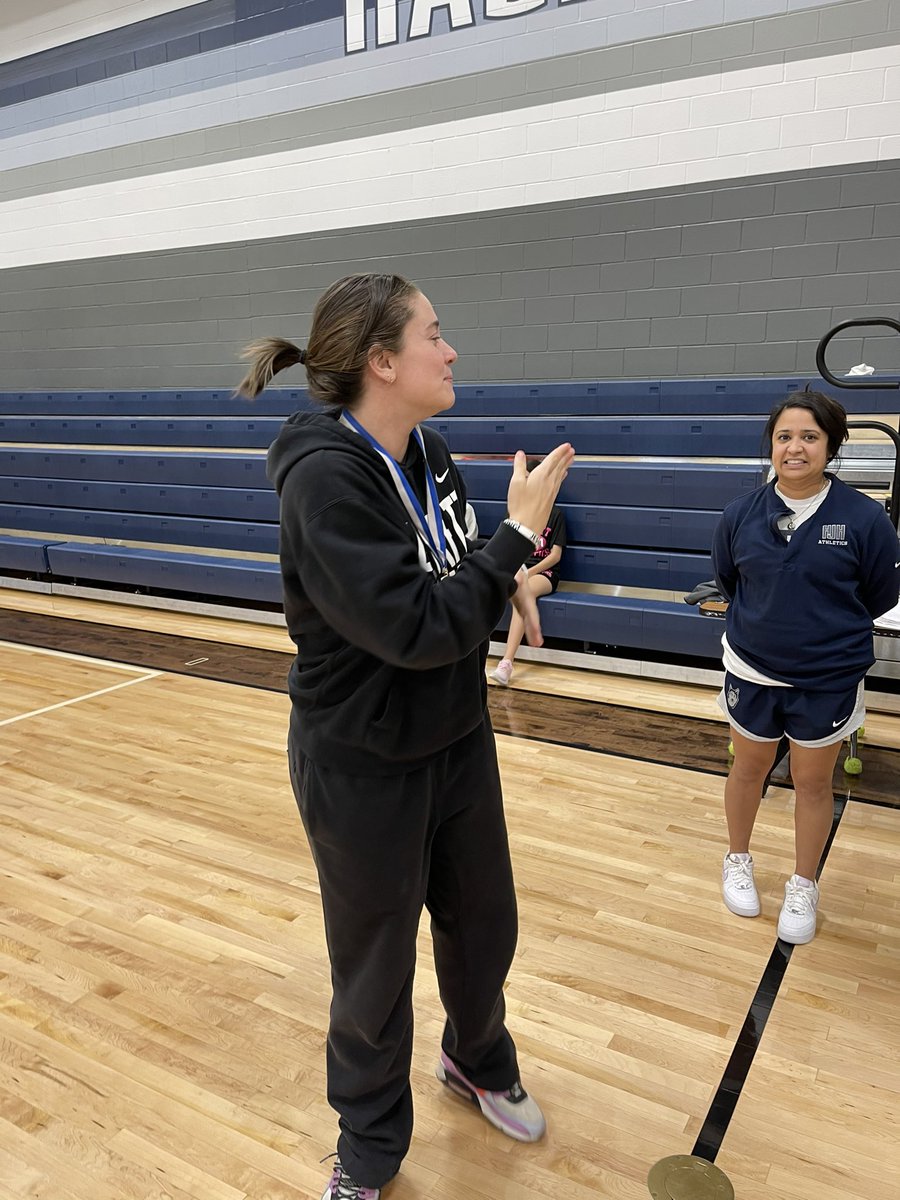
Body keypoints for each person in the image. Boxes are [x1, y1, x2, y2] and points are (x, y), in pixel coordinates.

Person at [236, 273, 574, 1200]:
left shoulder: (427, 449)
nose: (451, 348)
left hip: (457, 739)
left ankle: (475, 1058)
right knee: (376, 968)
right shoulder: (326, 480)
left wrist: (509, 575)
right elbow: (417, 627)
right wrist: (512, 542)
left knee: (483, 927)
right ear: (383, 362)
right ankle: (369, 1149)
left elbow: (455, 570)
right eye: (435, 334)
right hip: (363, 764)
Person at [711, 387, 899, 945]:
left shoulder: (865, 518)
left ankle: (803, 882)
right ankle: (737, 859)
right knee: (748, 768)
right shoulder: (740, 514)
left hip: (828, 676)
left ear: (831, 446)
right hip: (753, 668)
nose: (795, 448)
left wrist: (820, 632)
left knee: (813, 781)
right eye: (784, 436)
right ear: (771, 445)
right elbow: (729, 581)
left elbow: (880, 592)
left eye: (810, 437)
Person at [490, 456, 567, 686]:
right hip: (519, 570)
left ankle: (506, 662)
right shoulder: (515, 514)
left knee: (522, 593)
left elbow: (555, 555)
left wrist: (528, 574)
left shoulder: (556, 515)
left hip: (544, 574)